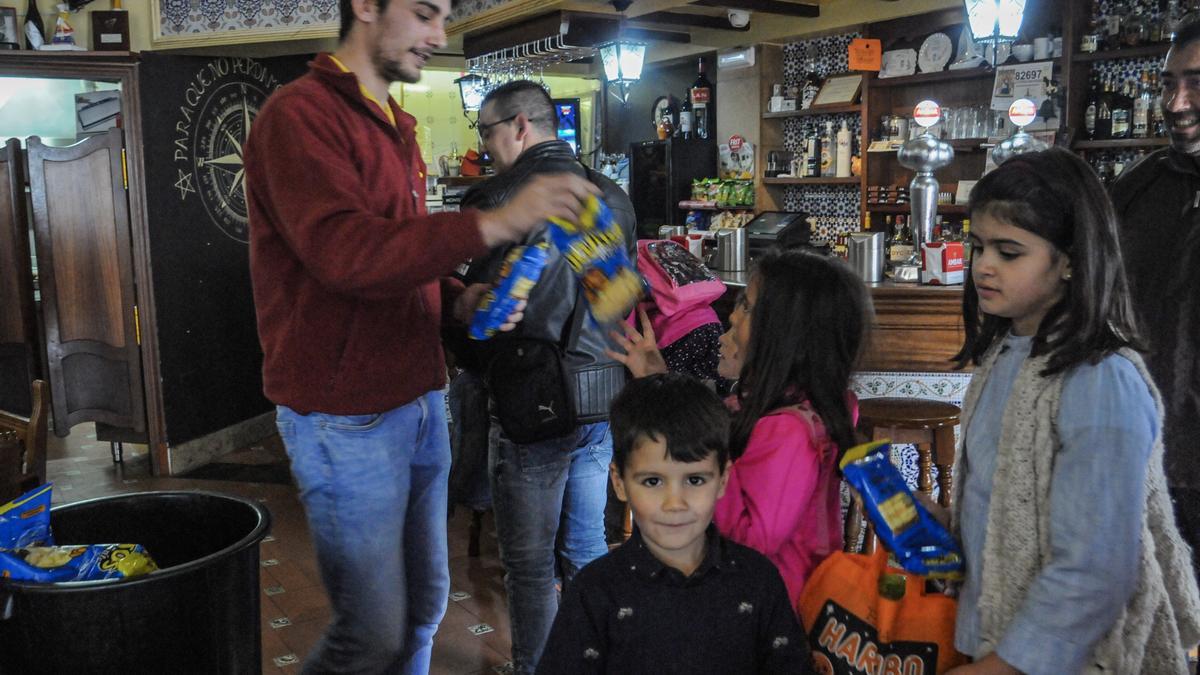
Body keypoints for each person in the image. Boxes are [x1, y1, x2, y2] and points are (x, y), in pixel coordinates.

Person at [242, 1, 598, 670]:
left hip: (417, 402)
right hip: (345, 416)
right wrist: (497, 222)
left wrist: (460, 302)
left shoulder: (394, 124)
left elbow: (402, 262)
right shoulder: (297, 116)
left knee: (426, 605)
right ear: (366, 6)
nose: (440, 36)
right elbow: (347, 251)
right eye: (426, 12)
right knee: (372, 631)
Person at [946, 148, 1200, 675]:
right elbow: (1012, 508)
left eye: (1009, 252)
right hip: (991, 636)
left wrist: (1007, 666)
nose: (983, 266)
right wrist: (948, 523)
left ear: (1070, 261)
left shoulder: (1102, 380)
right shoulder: (1003, 355)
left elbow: (1096, 568)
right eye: (978, 247)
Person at [452, 80, 637, 675]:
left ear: (519, 127)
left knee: (530, 565)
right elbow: (618, 299)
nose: (483, 146)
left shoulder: (501, 200)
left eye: (485, 132)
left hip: (534, 404)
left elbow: (491, 321)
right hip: (603, 393)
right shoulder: (611, 194)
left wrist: (464, 320)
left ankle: (535, 667)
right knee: (586, 546)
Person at [609, 248, 872, 612]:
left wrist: (704, 457)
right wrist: (661, 382)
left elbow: (751, 541)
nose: (731, 314)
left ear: (784, 332)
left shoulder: (789, 431)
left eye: (746, 306)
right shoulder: (774, 408)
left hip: (770, 613)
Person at [536, 373, 811, 674]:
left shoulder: (758, 582)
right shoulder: (595, 592)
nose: (674, 503)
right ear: (619, 482)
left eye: (695, 480)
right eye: (653, 481)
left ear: (723, 480)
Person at [1111, 19, 1200, 577]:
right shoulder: (1139, 185)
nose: (1177, 102)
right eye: (1168, 83)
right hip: (1145, 450)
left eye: (1195, 81)